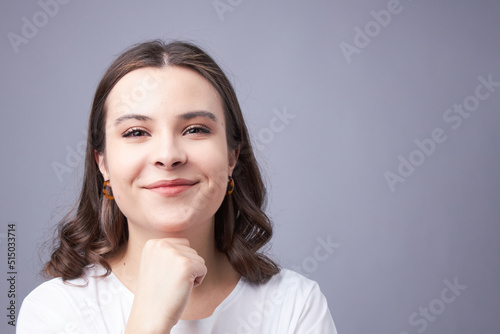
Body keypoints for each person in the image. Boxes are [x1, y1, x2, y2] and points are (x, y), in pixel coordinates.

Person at [17, 40, 337, 333]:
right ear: (102, 163)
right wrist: (148, 321)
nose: (168, 156)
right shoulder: (53, 312)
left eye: (195, 129)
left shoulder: (295, 306)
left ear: (232, 157)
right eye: (136, 132)